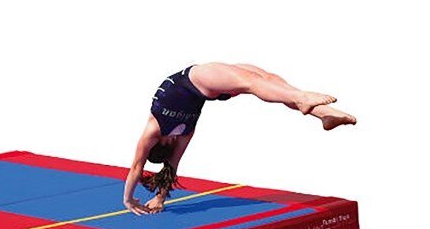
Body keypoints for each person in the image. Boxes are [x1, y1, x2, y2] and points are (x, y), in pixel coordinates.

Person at [123, 62, 356, 215]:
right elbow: (149, 166)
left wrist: (147, 199)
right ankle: (303, 99)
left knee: (267, 79)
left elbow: (155, 167)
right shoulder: (161, 129)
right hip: (196, 78)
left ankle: (324, 115)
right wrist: (139, 199)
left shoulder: (174, 133)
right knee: (254, 82)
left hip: (208, 88)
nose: (173, 142)